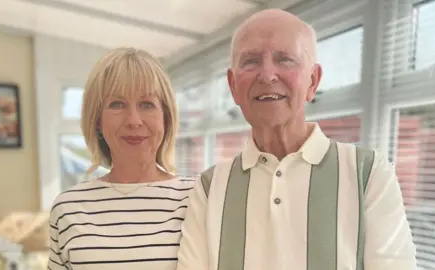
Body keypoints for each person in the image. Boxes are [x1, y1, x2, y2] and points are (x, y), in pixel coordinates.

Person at [176, 9, 417, 270]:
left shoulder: (368, 174)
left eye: (285, 59)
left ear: (313, 81)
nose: (267, 75)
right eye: (251, 61)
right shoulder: (209, 188)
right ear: (233, 86)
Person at [47, 48, 195, 270]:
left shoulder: (197, 197)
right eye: (117, 104)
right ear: (97, 120)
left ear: (166, 117)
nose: (134, 120)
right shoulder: (68, 208)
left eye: (147, 104)